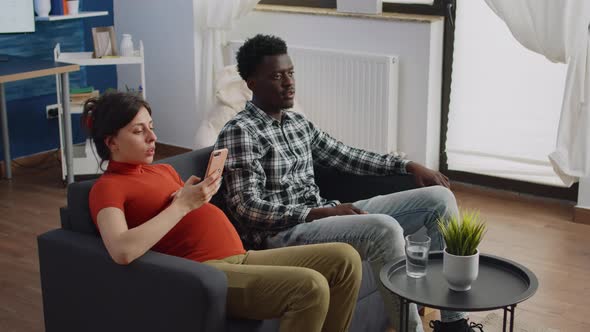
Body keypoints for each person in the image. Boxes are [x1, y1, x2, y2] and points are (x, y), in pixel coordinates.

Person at [215, 34, 483, 332]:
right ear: (251, 83)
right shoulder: (241, 131)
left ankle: (453, 324)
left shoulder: (297, 124)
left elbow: (348, 156)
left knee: (439, 199)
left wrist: (406, 164)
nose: (289, 82)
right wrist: (316, 213)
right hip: (284, 234)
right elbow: (245, 207)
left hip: (323, 214)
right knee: (384, 229)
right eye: (276, 76)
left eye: (291, 73)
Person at [83, 91, 362, 332]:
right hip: (205, 273)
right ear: (112, 142)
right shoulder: (107, 188)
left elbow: (182, 216)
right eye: (138, 131)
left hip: (241, 257)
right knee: (310, 287)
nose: (153, 137)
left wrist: (198, 195)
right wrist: (182, 204)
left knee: (345, 258)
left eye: (151, 127)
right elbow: (121, 250)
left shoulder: (163, 170)